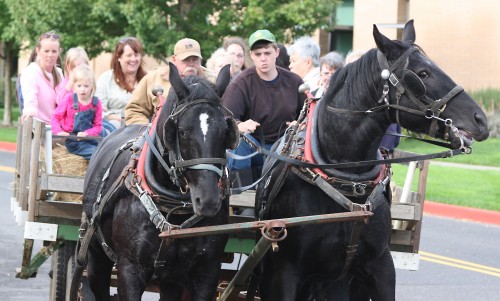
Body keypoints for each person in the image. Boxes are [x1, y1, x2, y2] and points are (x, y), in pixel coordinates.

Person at [222, 29, 306, 182]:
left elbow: (311, 115)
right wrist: (239, 125)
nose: (263, 58)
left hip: (287, 147)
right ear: (252, 56)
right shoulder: (241, 84)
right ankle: (242, 199)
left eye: (267, 53)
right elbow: (224, 118)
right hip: (254, 148)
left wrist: (301, 124)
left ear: (277, 52)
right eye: (258, 54)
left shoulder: (294, 81)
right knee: (240, 141)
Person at [125, 38, 215, 125]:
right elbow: (135, 109)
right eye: (186, 59)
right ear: (174, 59)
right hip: (160, 135)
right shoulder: (154, 78)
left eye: (195, 59)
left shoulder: (211, 80)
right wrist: (148, 130)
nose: (191, 63)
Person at [51, 65, 103, 160]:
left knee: (105, 151)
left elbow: (98, 126)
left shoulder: (96, 103)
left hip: (90, 139)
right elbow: (55, 117)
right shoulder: (69, 99)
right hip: (74, 141)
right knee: (96, 155)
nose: (82, 89)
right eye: (79, 86)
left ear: (92, 86)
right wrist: (59, 131)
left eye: (86, 86)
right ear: (74, 86)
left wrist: (87, 133)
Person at [95, 37, 146, 129]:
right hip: (114, 127)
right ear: (119, 57)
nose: (133, 59)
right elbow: (99, 110)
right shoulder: (106, 79)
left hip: (143, 127)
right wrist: (119, 119)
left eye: (136, 54)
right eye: (129, 55)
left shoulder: (148, 79)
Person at [20, 30, 64, 124]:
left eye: (54, 51)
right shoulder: (30, 72)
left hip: (59, 129)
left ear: (59, 52)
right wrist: (30, 112)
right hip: (39, 128)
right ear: (38, 51)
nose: (50, 55)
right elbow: (30, 100)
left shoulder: (59, 73)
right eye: (46, 51)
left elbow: (64, 100)